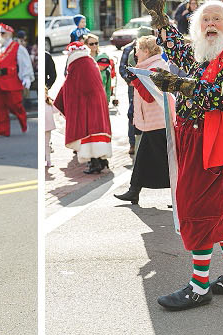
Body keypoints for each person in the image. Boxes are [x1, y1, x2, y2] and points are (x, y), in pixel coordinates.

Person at [142, 0, 223, 309]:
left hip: (216, 148)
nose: (210, 22)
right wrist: (160, 18)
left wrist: (177, 84)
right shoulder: (208, 55)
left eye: (216, 18)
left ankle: (199, 285)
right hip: (201, 142)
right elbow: (179, 51)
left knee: (201, 213)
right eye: (205, 18)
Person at [116, 33, 171, 206]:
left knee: (166, 162)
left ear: (146, 51)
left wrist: (136, 80)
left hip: (158, 122)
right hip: (155, 121)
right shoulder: (152, 66)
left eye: (138, 49)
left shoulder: (155, 68)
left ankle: (135, 191)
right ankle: (134, 191)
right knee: (147, 158)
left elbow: (149, 96)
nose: (135, 53)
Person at [52, 36, 112, 174]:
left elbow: (68, 85)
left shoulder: (76, 64)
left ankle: (94, 163)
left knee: (87, 131)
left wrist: (58, 103)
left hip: (86, 104)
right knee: (99, 129)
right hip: (98, 102)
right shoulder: (90, 61)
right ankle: (103, 160)